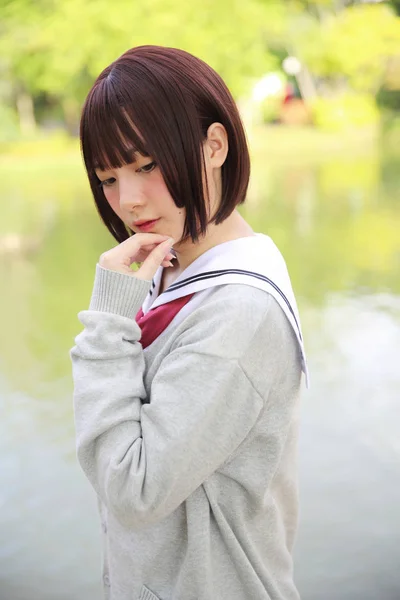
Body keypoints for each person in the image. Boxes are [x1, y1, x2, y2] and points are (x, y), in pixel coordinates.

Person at [70, 45, 309, 600]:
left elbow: (135, 490)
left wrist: (108, 319)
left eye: (146, 166)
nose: (128, 200)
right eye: (108, 178)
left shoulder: (237, 313)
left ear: (215, 145)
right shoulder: (173, 266)